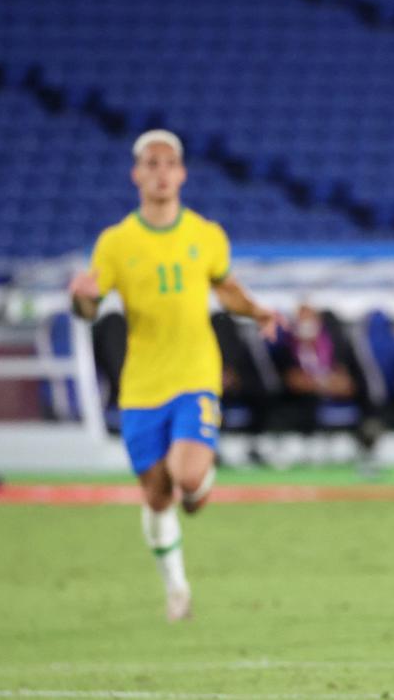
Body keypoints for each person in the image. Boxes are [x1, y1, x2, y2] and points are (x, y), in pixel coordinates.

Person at [68, 130, 280, 621]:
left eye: (169, 163)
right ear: (136, 174)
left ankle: (200, 480)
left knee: (186, 478)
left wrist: (257, 311)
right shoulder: (116, 242)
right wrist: (80, 298)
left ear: (182, 173)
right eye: (152, 164)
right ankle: (178, 590)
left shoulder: (206, 234)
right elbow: (89, 308)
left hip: (195, 376)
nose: (161, 172)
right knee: (157, 495)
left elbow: (225, 288)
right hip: (141, 385)